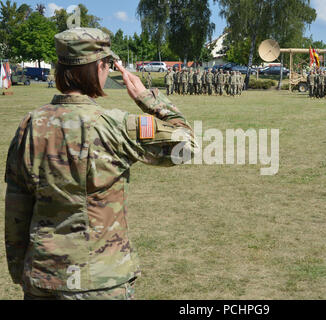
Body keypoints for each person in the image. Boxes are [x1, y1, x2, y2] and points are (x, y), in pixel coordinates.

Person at [4, 27, 196, 300]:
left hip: (44, 279)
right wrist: (147, 98)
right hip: (103, 281)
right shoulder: (116, 126)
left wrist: (21, 272)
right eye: (106, 64)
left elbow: (16, 209)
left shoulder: (30, 125)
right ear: (98, 69)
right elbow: (186, 145)